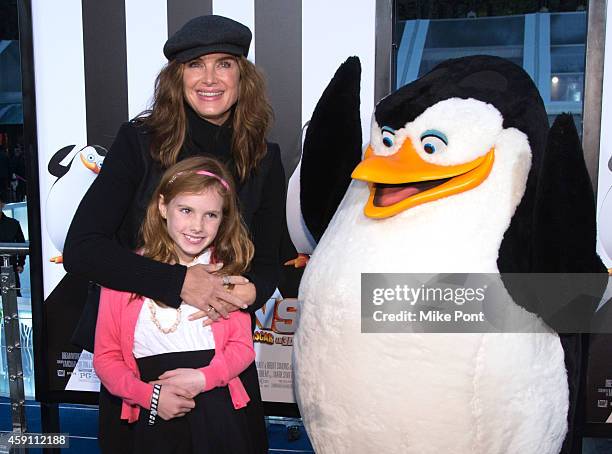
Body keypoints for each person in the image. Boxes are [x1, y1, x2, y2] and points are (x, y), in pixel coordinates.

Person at [63, 14, 285, 454]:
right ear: (176, 76)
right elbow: (83, 250)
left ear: (243, 76)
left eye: (224, 64)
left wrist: (252, 291)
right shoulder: (140, 142)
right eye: (194, 64)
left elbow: (271, 257)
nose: (209, 78)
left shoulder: (263, 157)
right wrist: (181, 283)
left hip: (222, 357)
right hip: (138, 365)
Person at [94, 156, 256, 453]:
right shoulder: (125, 273)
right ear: (162, 207)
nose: (197, 226)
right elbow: (106, 358)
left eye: (211, 215)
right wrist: (149, 397)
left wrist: (203, 378)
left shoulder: (225, 275)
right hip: (153, 411)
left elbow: (242, 348)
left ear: (224, 219)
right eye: (186, 210)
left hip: (216, 409)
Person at [0, 196, 26, 296]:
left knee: (13, 294)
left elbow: (21, 244)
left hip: (11, 266)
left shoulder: (13, 223)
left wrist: (21, 263)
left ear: (2, 205)